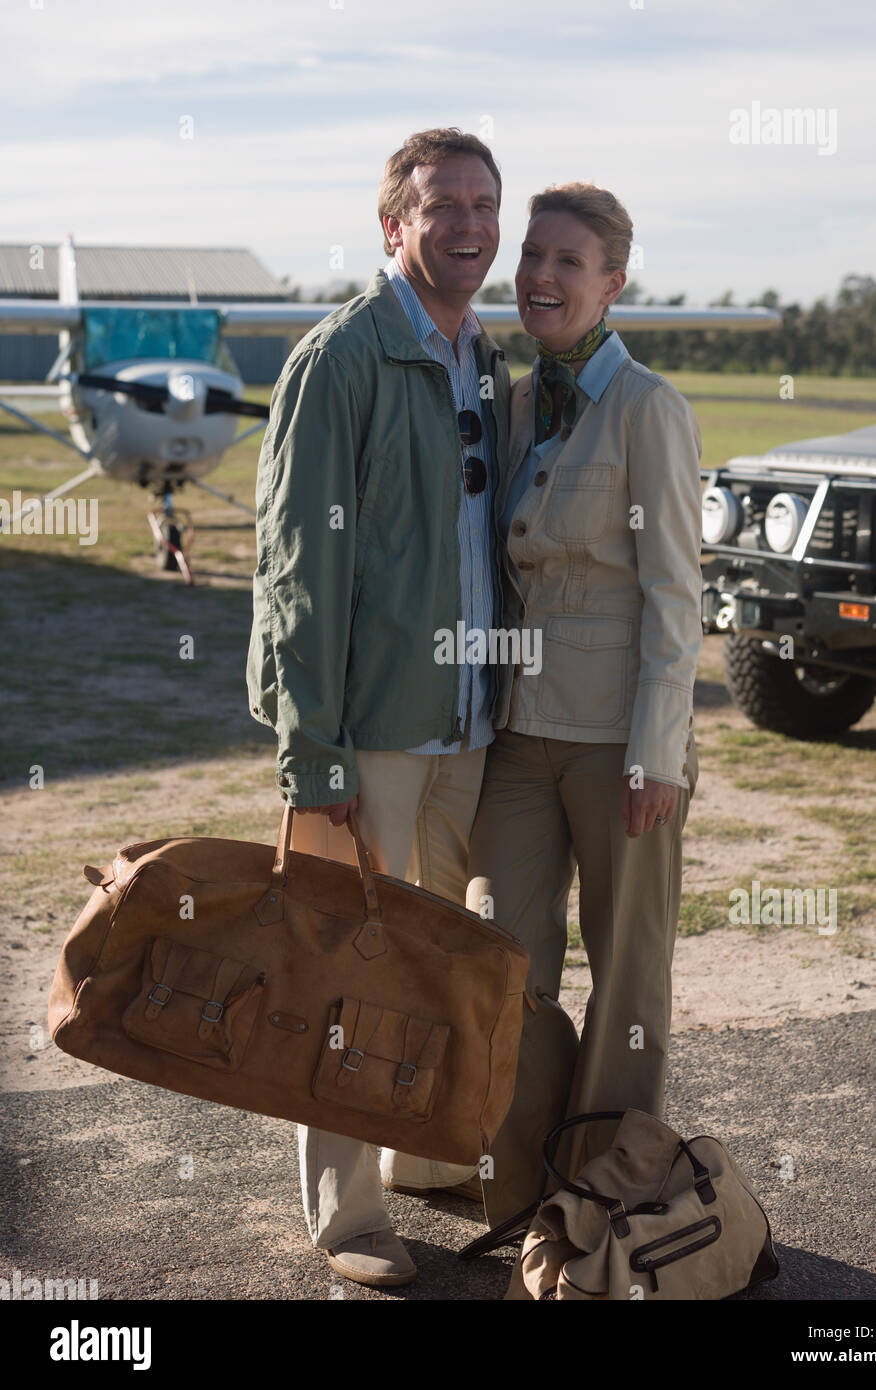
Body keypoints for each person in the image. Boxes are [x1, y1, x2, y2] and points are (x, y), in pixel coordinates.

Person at [246, 128, 510, 1288]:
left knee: (428, 962)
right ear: (393, 225)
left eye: (483, 204)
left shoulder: (482, 357)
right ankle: (346, 1216)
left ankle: (411, 1159)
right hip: (370, 733)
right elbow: (297, 568)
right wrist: (315, 753)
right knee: (342, 976)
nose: (468, 224)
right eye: (442, 203)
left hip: (465, 726)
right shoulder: (340, 357)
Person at [464, 183, 703, 1229]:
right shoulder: (514, 401)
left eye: (569, 261)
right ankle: (518, 1181)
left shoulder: (650, 408)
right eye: (531, 256)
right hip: (518, 733)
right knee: (500, 957)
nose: (540, 277)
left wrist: (660, 753)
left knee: (627, 971)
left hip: (619, 742)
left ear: (611, 284)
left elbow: (674, 596)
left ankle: (608, 1188)